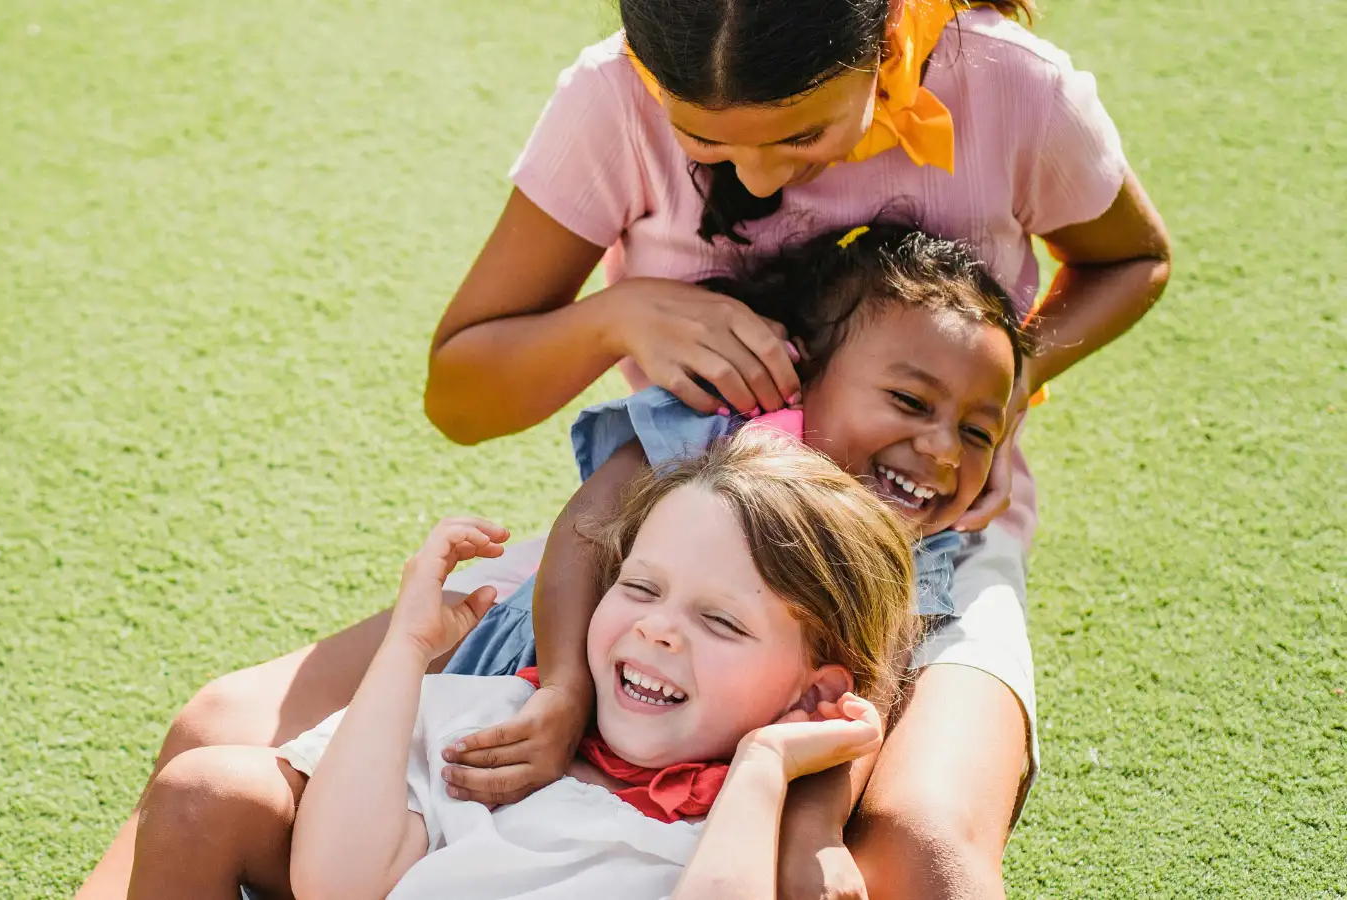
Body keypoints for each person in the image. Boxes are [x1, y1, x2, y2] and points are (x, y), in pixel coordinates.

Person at [77, 0, 1171, 895]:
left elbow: (1132, 259)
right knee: (212, 729)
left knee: (922, 846)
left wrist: (977, 402)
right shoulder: (609, 104)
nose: (756, 178)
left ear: (886, 40)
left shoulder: (1012, 86)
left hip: (930, 563)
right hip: (677, 528)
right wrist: (619, 316)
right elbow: (463, 395)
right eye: (704, 139)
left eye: (799, 132)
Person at [117, 224, 1030, 899]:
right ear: (799, 372)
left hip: (688, 764)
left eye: (980, 434)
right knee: (216, 758)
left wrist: (797, 808)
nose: (944, 451)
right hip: (542, 682)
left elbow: (864, 698)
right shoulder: (701, 446)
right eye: (910, 402)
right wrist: (549, 685)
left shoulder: (909, 585)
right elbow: (585, 536)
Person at [178, 429, 922, 900]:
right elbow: (339, 882)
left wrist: (762, 767)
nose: (658, 629)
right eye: (639, 587)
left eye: (720, 621)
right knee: (203, 783)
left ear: (816, 691)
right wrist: (409, 649)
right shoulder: (491, 729)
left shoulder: (758, 837)